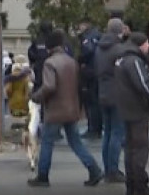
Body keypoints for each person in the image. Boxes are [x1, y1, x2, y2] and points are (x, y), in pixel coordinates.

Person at [28, 28, 103, 188]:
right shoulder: (71, 61)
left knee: (47, 142)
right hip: (71, 107)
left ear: (50, 47)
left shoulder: (50, 63)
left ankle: (42, 176)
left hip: (55, 109)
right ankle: (94, 169)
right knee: (75, 142)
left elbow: (49, 86)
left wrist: (36, 96)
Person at [116, 31, 149, 195]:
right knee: (140, 150)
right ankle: (140, 186)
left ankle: (131, 185)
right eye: (146, 43)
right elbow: (144, 85)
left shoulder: (121, 59)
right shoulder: (134, 61)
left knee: (130, 150)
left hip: (126, 110)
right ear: (140, 44)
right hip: (137, 111)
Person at [95, 17, 128, 183]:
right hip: (117, 94)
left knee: (107, 133)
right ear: (119, 30)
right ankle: (113, 171)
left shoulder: (99, 48)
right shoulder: (119, 49)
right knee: (117, 133)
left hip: (103, 93)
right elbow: (123, 72)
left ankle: (108, 169)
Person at [76, 17, 102, 139]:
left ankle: (93, 128)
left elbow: (88, 50)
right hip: (97, 71)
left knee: (91, 102)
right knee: (96, 101)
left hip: (89, 72)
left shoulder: (87, 37)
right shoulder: (98, 35)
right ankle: (97, 127)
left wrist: (80, 59)